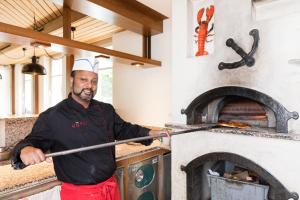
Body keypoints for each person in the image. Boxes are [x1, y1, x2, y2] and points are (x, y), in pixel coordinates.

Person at [11, 57, 168, 200]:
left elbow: (124, 129)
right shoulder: (53, 116)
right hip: (79, 194)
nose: (89, 86)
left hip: (110, 188)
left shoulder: (106, 110)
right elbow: (31, 142)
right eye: (83, 79)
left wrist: (150, 133)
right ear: (72, 79)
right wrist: (25, 150)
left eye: (94, 81)